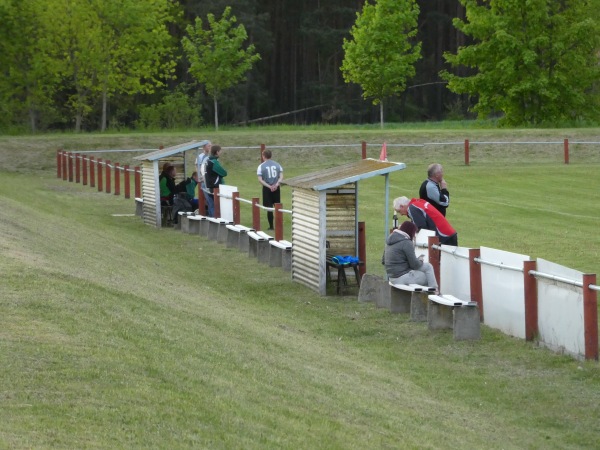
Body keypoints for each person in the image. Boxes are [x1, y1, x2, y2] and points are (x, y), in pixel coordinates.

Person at [382, 221, 439, 293]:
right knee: (427, 276)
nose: (414, 235)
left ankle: (433, 292)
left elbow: (383, 261)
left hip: (392, 277)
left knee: (427, 268)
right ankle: (434, 293)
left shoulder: (389, 241)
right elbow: (414, 265)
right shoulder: (406, 242)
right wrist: (420, 260)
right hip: (401, 278)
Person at [394, 196, 458, 246]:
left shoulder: (412, 208)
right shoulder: (418, 202)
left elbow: (421, 227)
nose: (401, 214)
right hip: (449, 234)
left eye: (399, 211)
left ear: (402, 206)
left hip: (443, 237)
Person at [257, 149, 284, 230]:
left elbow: (260, 179)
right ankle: (279, 226)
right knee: (277, 206)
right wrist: (276, 184)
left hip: (267, 189)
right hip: (276, 188)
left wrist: (269, 186)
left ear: (263, 156)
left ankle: (271, 226)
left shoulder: (261, 166)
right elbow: (281, 176)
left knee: (269, 208)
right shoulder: (277, 165)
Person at [204, 145, 227, 217]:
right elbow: (224, 173)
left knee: (212, 205)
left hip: (209, 185)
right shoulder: (214, 162)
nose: (221, 152)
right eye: (220, 151)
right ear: (217, 152)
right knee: (217, 206)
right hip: (215, 187)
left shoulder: (208, 160)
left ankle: (213, 220)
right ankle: (217, 221)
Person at [195, 140, 212, 215]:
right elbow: (197, 167)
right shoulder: (200, 157)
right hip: (204, 181)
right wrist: (201, 177)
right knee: (208, 200)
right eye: (209, 146)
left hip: (210, 181)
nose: (210, 147)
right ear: (204, 147)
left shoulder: (211, 156)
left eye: (211, 146)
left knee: (211, 200)